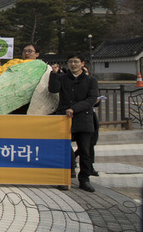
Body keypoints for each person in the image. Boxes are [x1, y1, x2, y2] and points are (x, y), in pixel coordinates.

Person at [49, 54, 98, 192]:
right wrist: (53, 74)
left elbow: (91, 99)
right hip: (64, 118)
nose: (73, 64)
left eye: (76, 62)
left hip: (83, 118)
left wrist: (74, 108)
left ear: (82, 63)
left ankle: (84, 179)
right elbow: (53, 89)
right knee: (63, 149)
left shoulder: (91, 80)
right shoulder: (62, 78)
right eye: (70, 62)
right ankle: (64, 179)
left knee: (85, 150)